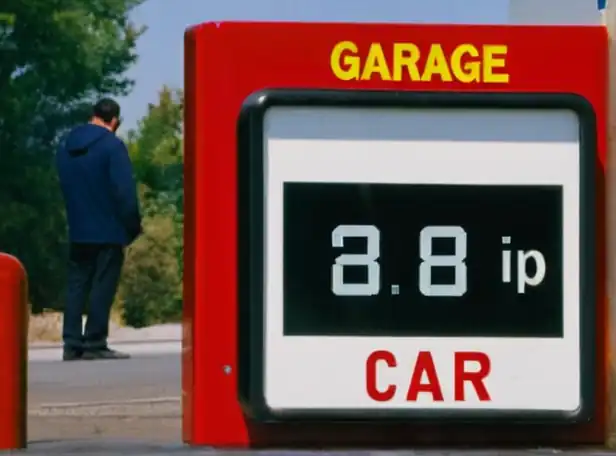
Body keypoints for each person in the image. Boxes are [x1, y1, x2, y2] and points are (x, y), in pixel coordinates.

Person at [56, 98, 142, 361]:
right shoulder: (112, 147)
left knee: (76, 285)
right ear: (114, 121)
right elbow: (124, 193)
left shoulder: (65, 146)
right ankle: (94, 341)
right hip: (109, 230)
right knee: (102, 285)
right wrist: (132, 227)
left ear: (93, 115)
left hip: (78, 228)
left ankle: (71, 343)